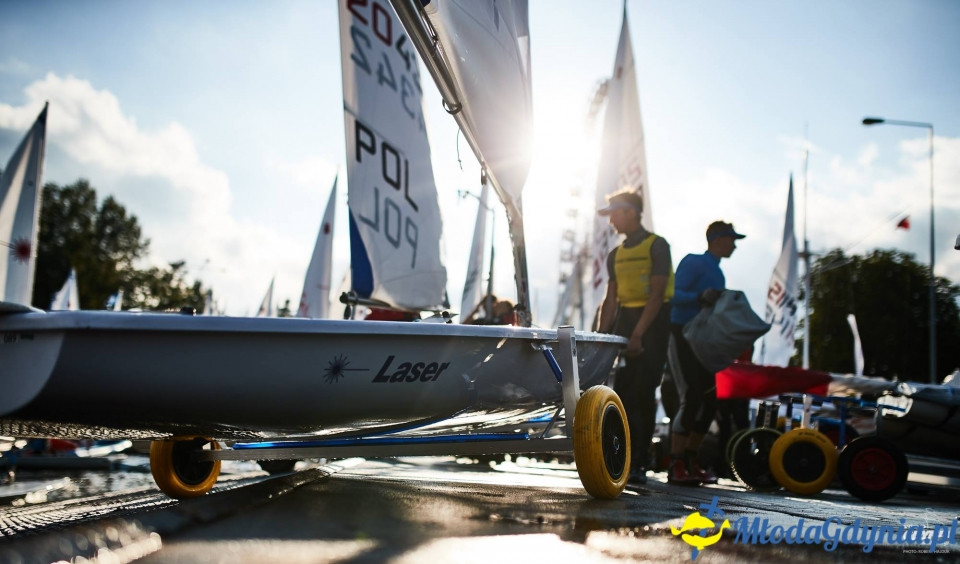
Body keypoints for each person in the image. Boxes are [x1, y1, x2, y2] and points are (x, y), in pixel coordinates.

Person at [596, 189, 674, 485]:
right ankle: (620, 458)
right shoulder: (615, 254)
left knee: (643, 393)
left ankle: (639, 461)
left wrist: (638, 335)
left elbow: (657, 295)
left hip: (653, 323)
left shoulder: (658, 245)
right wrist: (601, 337)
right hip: (626, 320)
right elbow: (610, 299)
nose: (611, 221)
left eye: (614, 214)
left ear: (631, 212)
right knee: (622, 393)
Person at [666, 220, 745, 485]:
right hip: (682, 335)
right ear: (718, 239)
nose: (734, 246)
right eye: (732, 240)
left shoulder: (717, 272)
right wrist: (699, 297)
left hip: (704, 342)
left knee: (710, 401)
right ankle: (675, 462)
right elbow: (672, 294)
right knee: (691, 397)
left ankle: (691, 459)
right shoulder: (694, 262)